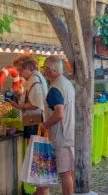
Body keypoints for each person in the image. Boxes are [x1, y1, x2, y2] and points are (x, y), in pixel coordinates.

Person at [39, 55, 75, 195]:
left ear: (49, 69)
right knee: (69, 173)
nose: (43, 71)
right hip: (70, 133)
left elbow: (59, 114)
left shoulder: (55, 88)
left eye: (44, 68)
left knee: (65, 174)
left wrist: (45, 125)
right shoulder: (67, 83)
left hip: (62, 136)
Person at [8, 55, 48, 140]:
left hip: (34, 121)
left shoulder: (34, 80)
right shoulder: (34, 78)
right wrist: (21, 95)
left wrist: (19, 106)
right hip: (34, 121)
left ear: (28, 67)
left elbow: (36, 104)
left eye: (19, 70)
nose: (18, 73)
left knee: (34, 148)